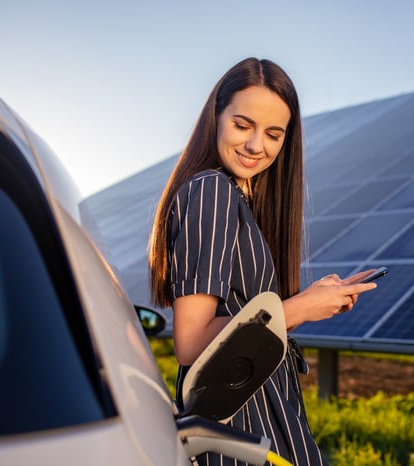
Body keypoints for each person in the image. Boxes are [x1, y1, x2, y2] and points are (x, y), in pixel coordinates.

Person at [148, 57, 377, 465]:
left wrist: (311, 300)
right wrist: (299, 308)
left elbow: (241, 314)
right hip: (241, 423)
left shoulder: (237, 200)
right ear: (215, 117)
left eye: (274, 134)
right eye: (242, 125)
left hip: (256, 414)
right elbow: (191, 340)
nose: (257, 146)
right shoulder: (211, 192)